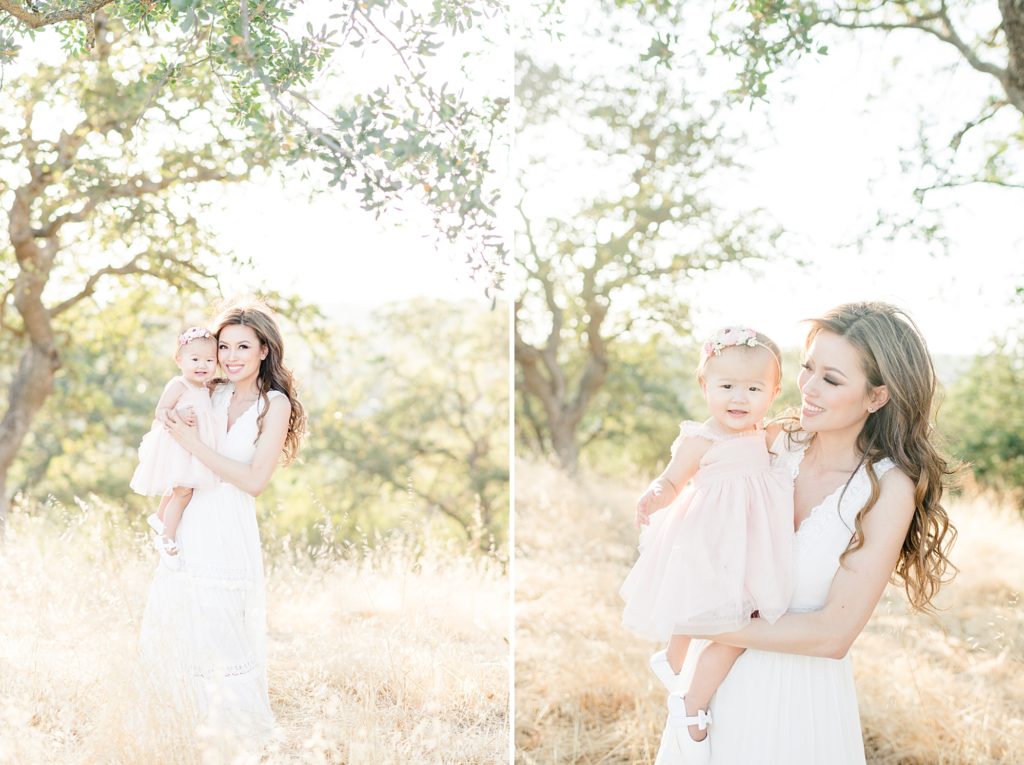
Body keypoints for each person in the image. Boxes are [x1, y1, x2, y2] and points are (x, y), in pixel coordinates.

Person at [654, 302, 957, 765]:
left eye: (832, 380)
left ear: (876, 397)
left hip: (797, 705)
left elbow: (831, 635)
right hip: (707, 698)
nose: (808, 390)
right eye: (807, 369)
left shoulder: (885, 487)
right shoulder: (769, 444)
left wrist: (696, 621)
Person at [620, 326, 794, 763]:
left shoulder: (766, 433)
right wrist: (655, 494)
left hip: (751, 542)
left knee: (738, 616)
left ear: (772, 393)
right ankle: (689, 696)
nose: (739, 398)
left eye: (754, 388)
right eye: (727, 386)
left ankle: (675, 664)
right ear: (704, 386)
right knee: (723, 616)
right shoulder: (701, 439)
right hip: (710, 537)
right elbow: (672, 479)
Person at [138, 298, 306, 748]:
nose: (231, 357)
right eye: (224, 347)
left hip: (229, 526)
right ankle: (179, 737)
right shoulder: (210, 389)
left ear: (264, 351)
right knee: (182, 624)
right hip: (191, 524)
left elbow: (254, 481)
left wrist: (193, 443)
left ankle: (234, 742)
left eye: (242, 347)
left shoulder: (274, 404)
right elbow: (169, 430)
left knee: (224, 632)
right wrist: (173, 428)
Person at [130, 326, 222, 565]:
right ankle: (167, 537)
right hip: (179, 446)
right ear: (179, 360)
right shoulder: (179, 385)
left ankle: (160, 516)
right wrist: (178, 413)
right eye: (195, 359)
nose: (202, 365)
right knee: (183, 491)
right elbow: (161, 411)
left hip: (194, 447)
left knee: (180, 489)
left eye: (209, 360)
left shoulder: (206, 388)